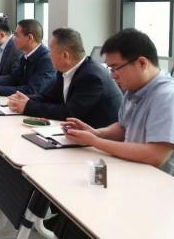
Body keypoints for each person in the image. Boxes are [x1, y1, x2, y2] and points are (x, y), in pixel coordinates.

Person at [62, 28, 174, 174]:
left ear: (142, 63)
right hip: (131, 171)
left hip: (157, 181)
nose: (113, 76)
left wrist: (94, 141)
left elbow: (156, 155)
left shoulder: (166, 96)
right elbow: (123, 127)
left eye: (115, 68)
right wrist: (96, 133)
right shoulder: (133, 88)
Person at [8, 28, 122, 127]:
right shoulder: (64, 70)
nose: (49, 54)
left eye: (51, 50)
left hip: (100, 138)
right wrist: (25, 100)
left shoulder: (91, 77)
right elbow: (49, 98)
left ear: (65, 55)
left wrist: (28, 106)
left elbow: (70, 113)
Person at [0, 19, 56, 96]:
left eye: (17, 35)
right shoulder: (25, 56)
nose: (14, 38)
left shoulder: (46, 60)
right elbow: (14, 79)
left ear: (30, 38)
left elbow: (32, 90)